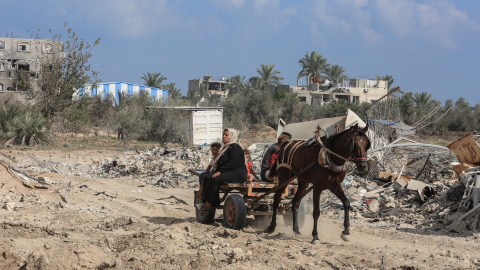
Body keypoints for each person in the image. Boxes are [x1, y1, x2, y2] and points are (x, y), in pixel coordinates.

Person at [195, 128, 247, 211]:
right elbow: (221, 162)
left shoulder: (235, 147)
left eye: (226, 135)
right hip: (229, 172)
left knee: (214, 179)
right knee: (207, 177)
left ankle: (209, 203)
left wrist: (220, 171)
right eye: (223, 134)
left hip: (237, 173)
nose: (224, 136)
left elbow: (232, 162)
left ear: (232, 136)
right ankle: (208, 201)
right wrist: (216, 170)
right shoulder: (226, 148)